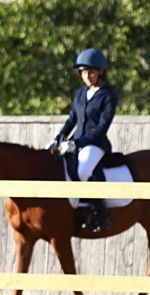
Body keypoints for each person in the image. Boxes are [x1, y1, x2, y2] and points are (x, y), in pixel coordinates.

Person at [48, 47, 118, 232]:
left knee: (83, 170)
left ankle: (102, 215)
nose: (87, 75)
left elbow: (102, 128)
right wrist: (58, 139)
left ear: (101, 72)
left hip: (95, 144)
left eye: (91, 72)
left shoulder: (108, 95)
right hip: (74, 142)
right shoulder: (80, 93)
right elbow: (72, 120)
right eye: (84, 72)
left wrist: (76, 143)